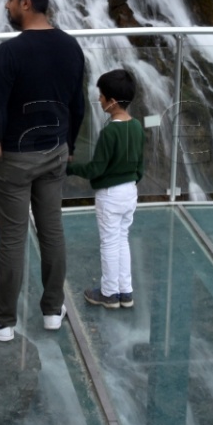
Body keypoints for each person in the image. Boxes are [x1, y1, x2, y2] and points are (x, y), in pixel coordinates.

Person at [0, 0, 86, 342]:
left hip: (15, 157)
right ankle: (52, 310)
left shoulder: (12, 51)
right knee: (52, 232)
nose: (6, 4)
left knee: (14, 239)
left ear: (26, 4)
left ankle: (2, 321)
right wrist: (70, 145)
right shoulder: (71, 47)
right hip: (54, 153)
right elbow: (77, 105)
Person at [69, 69, 144, 309]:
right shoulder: (137, 128)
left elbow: (96, 169)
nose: (99, 99)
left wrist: (69, 168)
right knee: (122, 239)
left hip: (110, 195)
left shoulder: (110, 132)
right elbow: (141, 165)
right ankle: (126, 291)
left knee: (109, 243)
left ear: (112, 102)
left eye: (102, 96)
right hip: (130, 192)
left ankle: (109, 293)